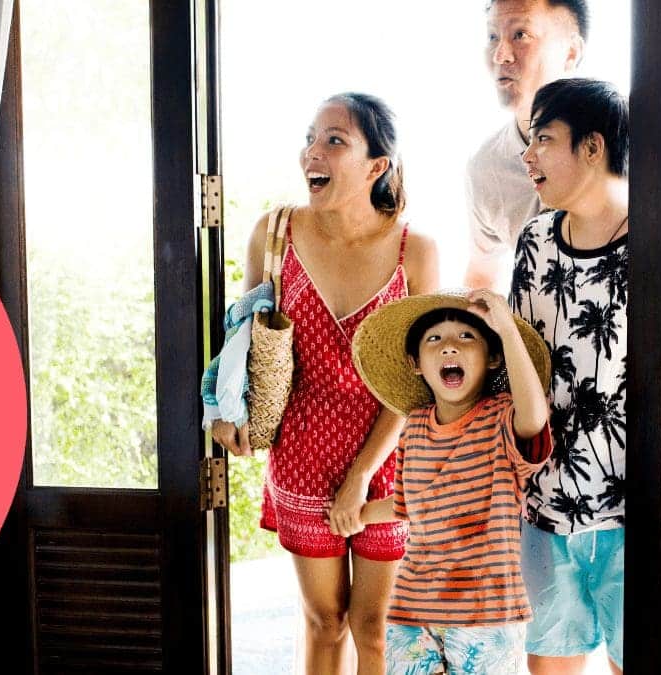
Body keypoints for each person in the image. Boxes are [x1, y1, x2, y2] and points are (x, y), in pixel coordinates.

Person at [211, 92, 439, 675]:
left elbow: (420, 384)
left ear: (377, 165)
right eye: (311, 138)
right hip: (301, 456)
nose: (313, 151)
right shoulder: (275, 233)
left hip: (387, 462)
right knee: (323, 621)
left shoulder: (417, 251)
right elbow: (243, 342)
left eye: (335, 140)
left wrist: (360, 476)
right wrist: (226, 412)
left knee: (377, 629)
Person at [347, 290, 553, 674]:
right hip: (413, 608)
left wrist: (507, 330)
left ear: (493, 358)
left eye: (466, 338)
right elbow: (410, 505)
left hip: (487, 611)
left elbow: (535, 418)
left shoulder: (502, 418)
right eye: (434, 340)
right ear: (415, 363)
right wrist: (357, 514)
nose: (448, 349)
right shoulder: (414, 427)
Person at [510, 78, 629, 674]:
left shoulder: (659, 242)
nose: (527, 154)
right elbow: (517, 366)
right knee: (549, 667)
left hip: (633, 508)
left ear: (593, 147)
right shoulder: (533, 240)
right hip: (544, 503)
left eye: (543, 138)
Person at [465, 0, 588, 292]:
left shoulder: (634, 141)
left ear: (571, 52)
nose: (500, 55)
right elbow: (482, 277)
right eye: (493, 36)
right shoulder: (486, 168)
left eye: (520, 35)